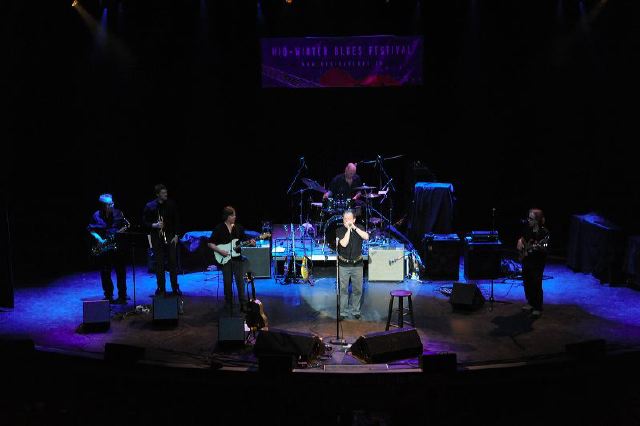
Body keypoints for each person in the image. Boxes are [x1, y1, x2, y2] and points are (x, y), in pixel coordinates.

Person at [208, 206, 255, 313]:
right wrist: (220, 251)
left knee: (240, 282)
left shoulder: (239, 228)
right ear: (228, 216)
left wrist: (251, 242)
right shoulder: (219, 228)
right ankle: (228, 304)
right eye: (233, 215)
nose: (235, 217)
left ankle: (243, 304)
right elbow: (210, 243)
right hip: (225, 260)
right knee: (227, 283)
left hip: (237, 259)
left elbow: (244, 240)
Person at [87, 193, 129, 303]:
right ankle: (108, 295)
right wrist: (99, 239)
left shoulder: (118, 213)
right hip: (104, 247)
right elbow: (90, 229)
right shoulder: (96, 215)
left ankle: (122, 296)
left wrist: (122, 232)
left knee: (121, 272)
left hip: (118, 247)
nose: (112, 205)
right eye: (109, 204)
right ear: (103, 205)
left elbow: (126, 225)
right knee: (105, 273)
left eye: (112, 203)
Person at [143, 184, 181, 296]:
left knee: (172, 262)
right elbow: (144, 222)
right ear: (157, 194)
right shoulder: (150, 206)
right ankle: (161, 288)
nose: (166, 194)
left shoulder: (171, 204)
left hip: (170, 236)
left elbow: (177, 220)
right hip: (156, 237)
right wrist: (154, 225)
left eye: (166, 192)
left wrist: (177, 235)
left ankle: (175, 288)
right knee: (159, 264)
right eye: (163, 193)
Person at [336, 209, 369, 320]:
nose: (347, 221)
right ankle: (343, 312)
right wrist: (349, 230)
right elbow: (344, 243)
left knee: (357, 290)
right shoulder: (340, 230)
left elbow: (366, 237)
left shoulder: (359, 227)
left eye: (349, 219)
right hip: (344, 265)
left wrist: (354, 228)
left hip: (357, 264)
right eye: (345, 219)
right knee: (343, 290)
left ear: (354, 220)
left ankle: (356, 310)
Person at [517, 208, 550, 318]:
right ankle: (530, 302)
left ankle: (537, 307)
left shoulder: (544, 232)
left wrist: (538, 247)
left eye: (531, 219)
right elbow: (523, 238)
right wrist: (520, 241)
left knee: (536, 282)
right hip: (527, 259)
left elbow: (545, 247)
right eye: (528, 218)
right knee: (527, 281)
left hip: (537, 261)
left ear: (537, 220)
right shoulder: (527, 229)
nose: (528, 220)